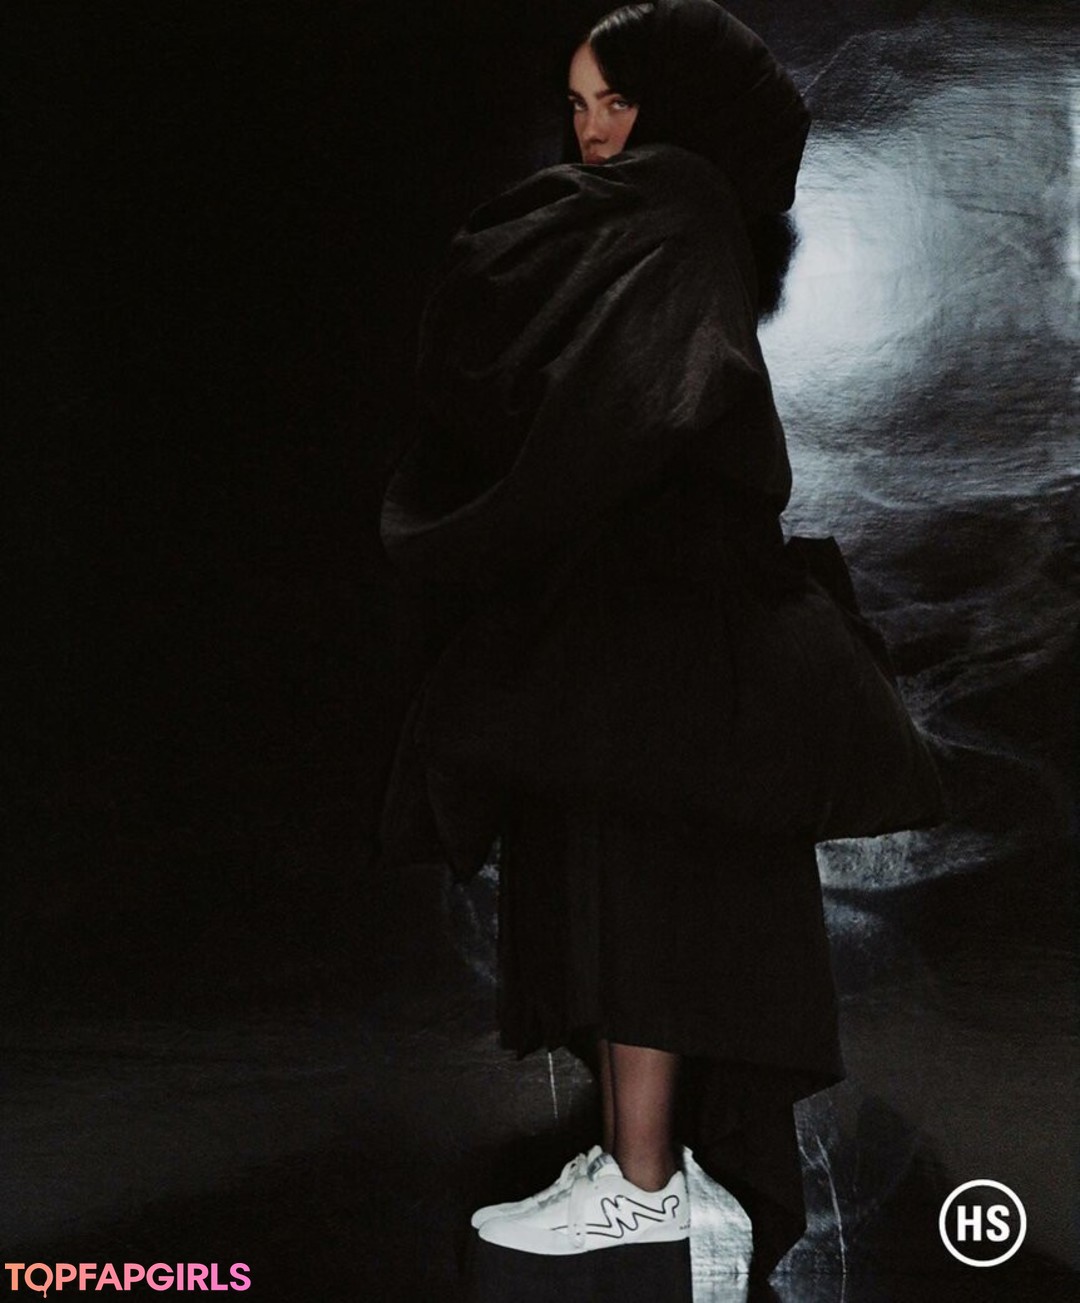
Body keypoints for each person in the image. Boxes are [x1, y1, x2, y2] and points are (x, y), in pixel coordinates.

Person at [380, 0, 941, 1278]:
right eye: (578, 107)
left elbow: (622, 403)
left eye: (618, 101)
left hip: (660, 624)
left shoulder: (672, 199)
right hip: (647, 617)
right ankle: (651, 1174)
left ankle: (645, 1187)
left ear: (674, 106)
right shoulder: (678, 213)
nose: (593, 133)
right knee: (628, 894)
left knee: (638, 899)